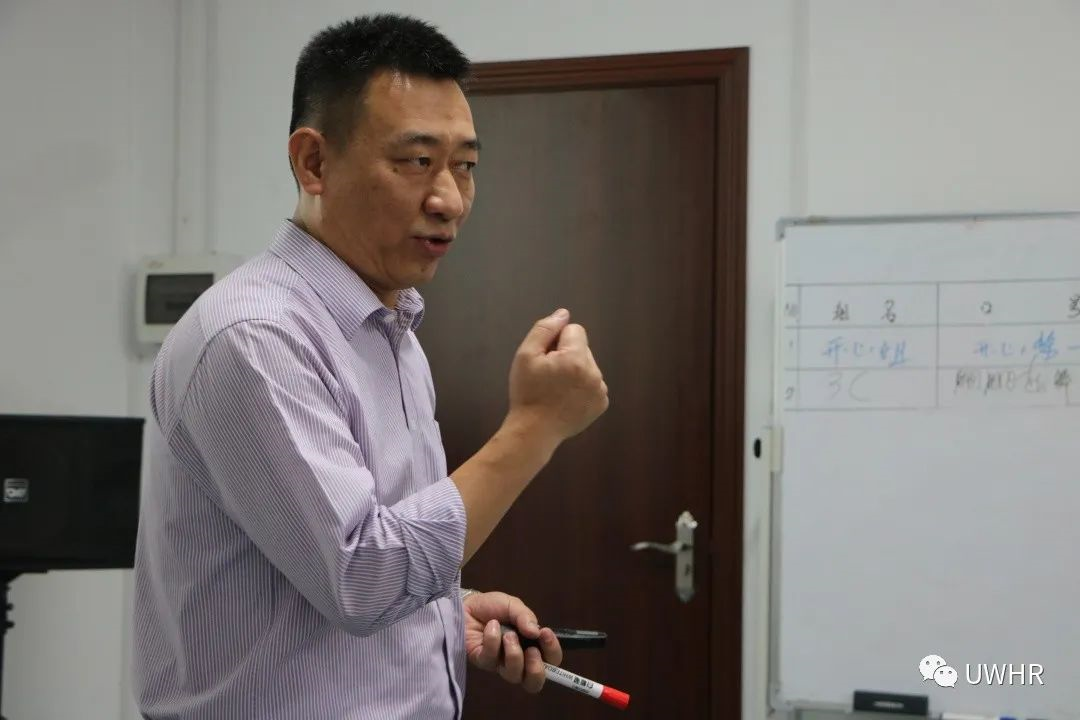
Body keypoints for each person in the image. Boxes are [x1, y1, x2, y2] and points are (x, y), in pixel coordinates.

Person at [131, 12, 609, 720]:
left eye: (465, 165)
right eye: (416, 161)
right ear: (314, 163)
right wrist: (533, 428)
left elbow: (341, 554)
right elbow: (364, 577)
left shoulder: (389, 325)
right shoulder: (255, 336)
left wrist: (449, 609)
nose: (449, 199)